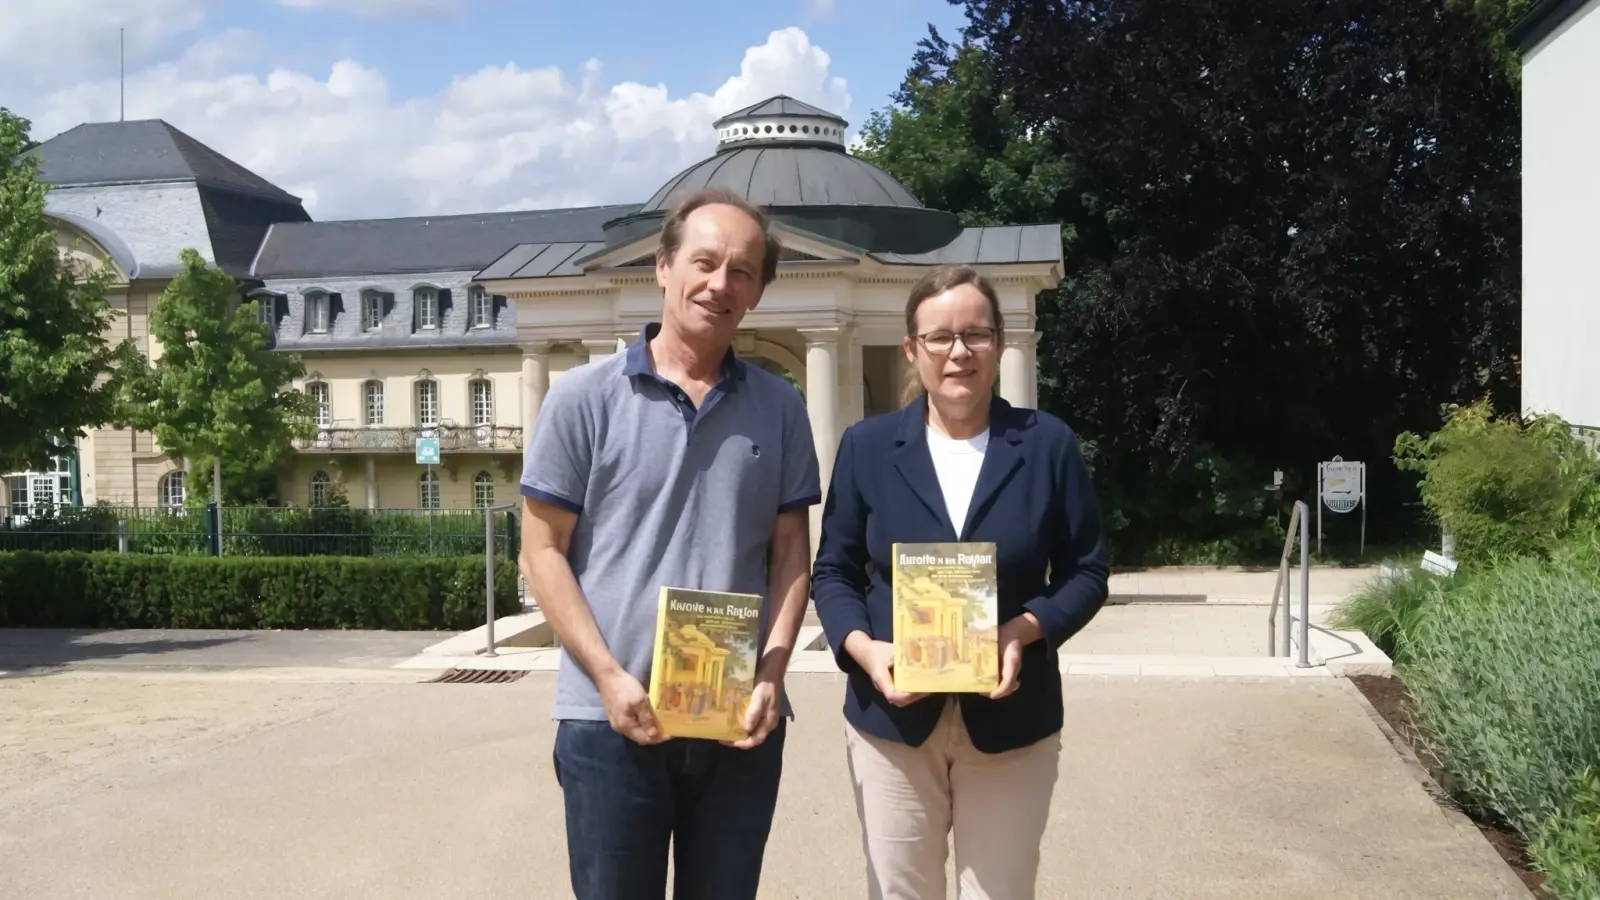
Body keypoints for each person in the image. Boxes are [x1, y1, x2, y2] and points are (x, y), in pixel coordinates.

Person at [517, 187, 820, 900]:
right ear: (662, 266)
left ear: (758, 293)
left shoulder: (780, 409)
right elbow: (542, 551)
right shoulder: (582, 398)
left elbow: (789, 559)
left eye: (742, 271)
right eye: (705, 261)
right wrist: (608, 676)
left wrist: (771, 677)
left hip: (735, 719)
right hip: (609, 719)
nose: (720, 284)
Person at [811, 264, 1110, 900]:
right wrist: (867, 650)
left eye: (975, 334)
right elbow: (833, 570)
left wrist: (1022, 631)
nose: (958, 352)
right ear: (911, 349)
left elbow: (1087, 571)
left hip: (1012, 719)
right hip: (891, 722)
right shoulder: (866, 447)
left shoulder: (1047, 444)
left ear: (999, 344)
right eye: (940, 337)